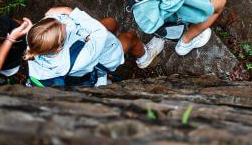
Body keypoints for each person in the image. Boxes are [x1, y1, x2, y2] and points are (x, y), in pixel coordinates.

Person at [24, 7, 162, 87]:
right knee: (131, 37)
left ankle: (112, 41)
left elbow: (56, 17)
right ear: (58, 49)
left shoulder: (35, 37)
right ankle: (144, 58)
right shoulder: (79, 59)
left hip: (86, 40)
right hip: (100, 57)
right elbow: (99, 32)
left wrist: (88, 37)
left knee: (111, 22)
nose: (64, 24)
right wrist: (68, 10)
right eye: (62, 30)